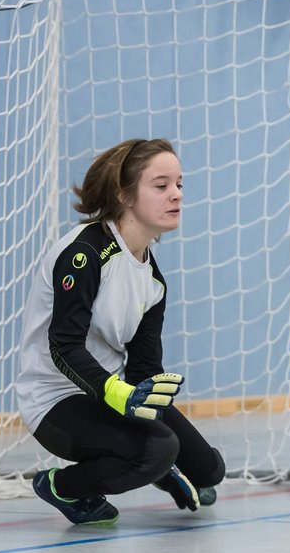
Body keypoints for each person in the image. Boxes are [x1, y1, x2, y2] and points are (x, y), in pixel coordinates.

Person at [15, 137, 225, 524]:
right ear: (124, 195)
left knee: (210, 471)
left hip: (112, 396)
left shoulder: (152, 278)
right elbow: (63, 345)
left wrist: (150, 395)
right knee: (157, 450)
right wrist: (117, 394)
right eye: (161, 186)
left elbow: (144, 367)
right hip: (54, 401)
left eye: (180, 184)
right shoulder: (85, 254)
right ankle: (63, 487)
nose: (176, 195)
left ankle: (157, 465)